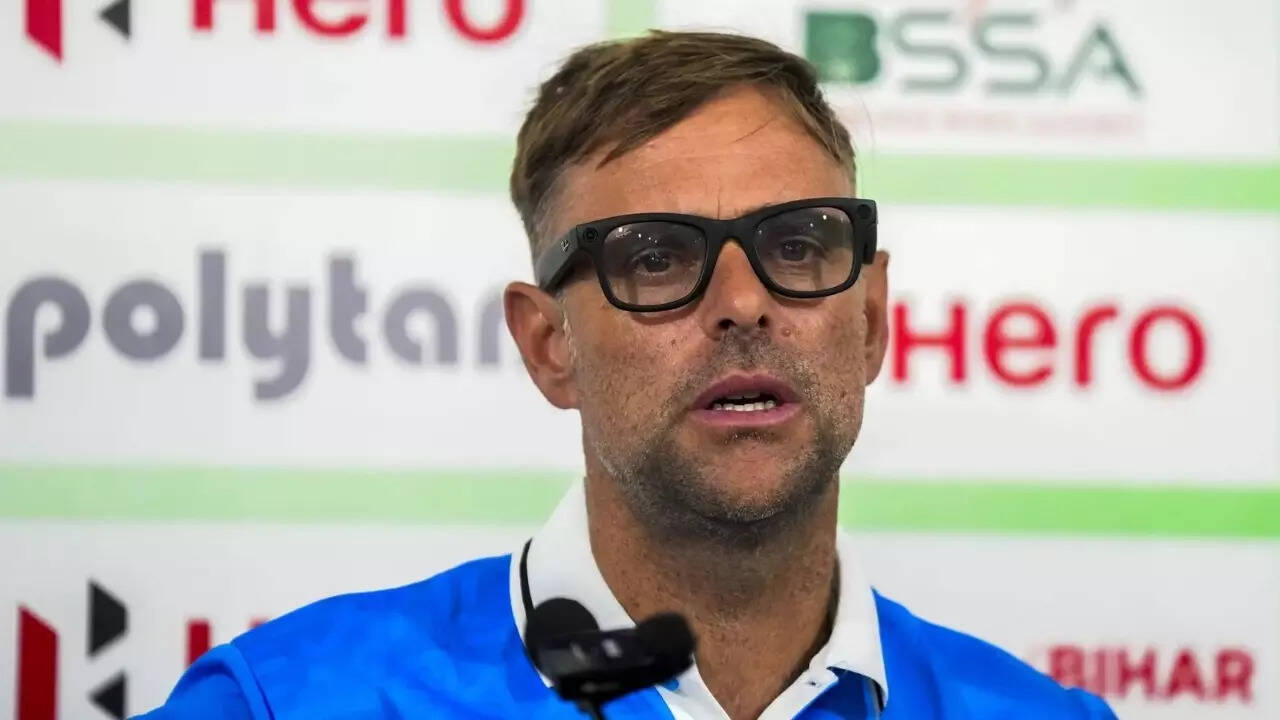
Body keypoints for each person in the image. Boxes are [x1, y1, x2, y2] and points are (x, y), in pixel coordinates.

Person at [137, 31, 1116, 720]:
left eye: (796, 244)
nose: (743, 303)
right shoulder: (290, 703)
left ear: (867, 319)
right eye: (655, 258)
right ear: (547, 345)